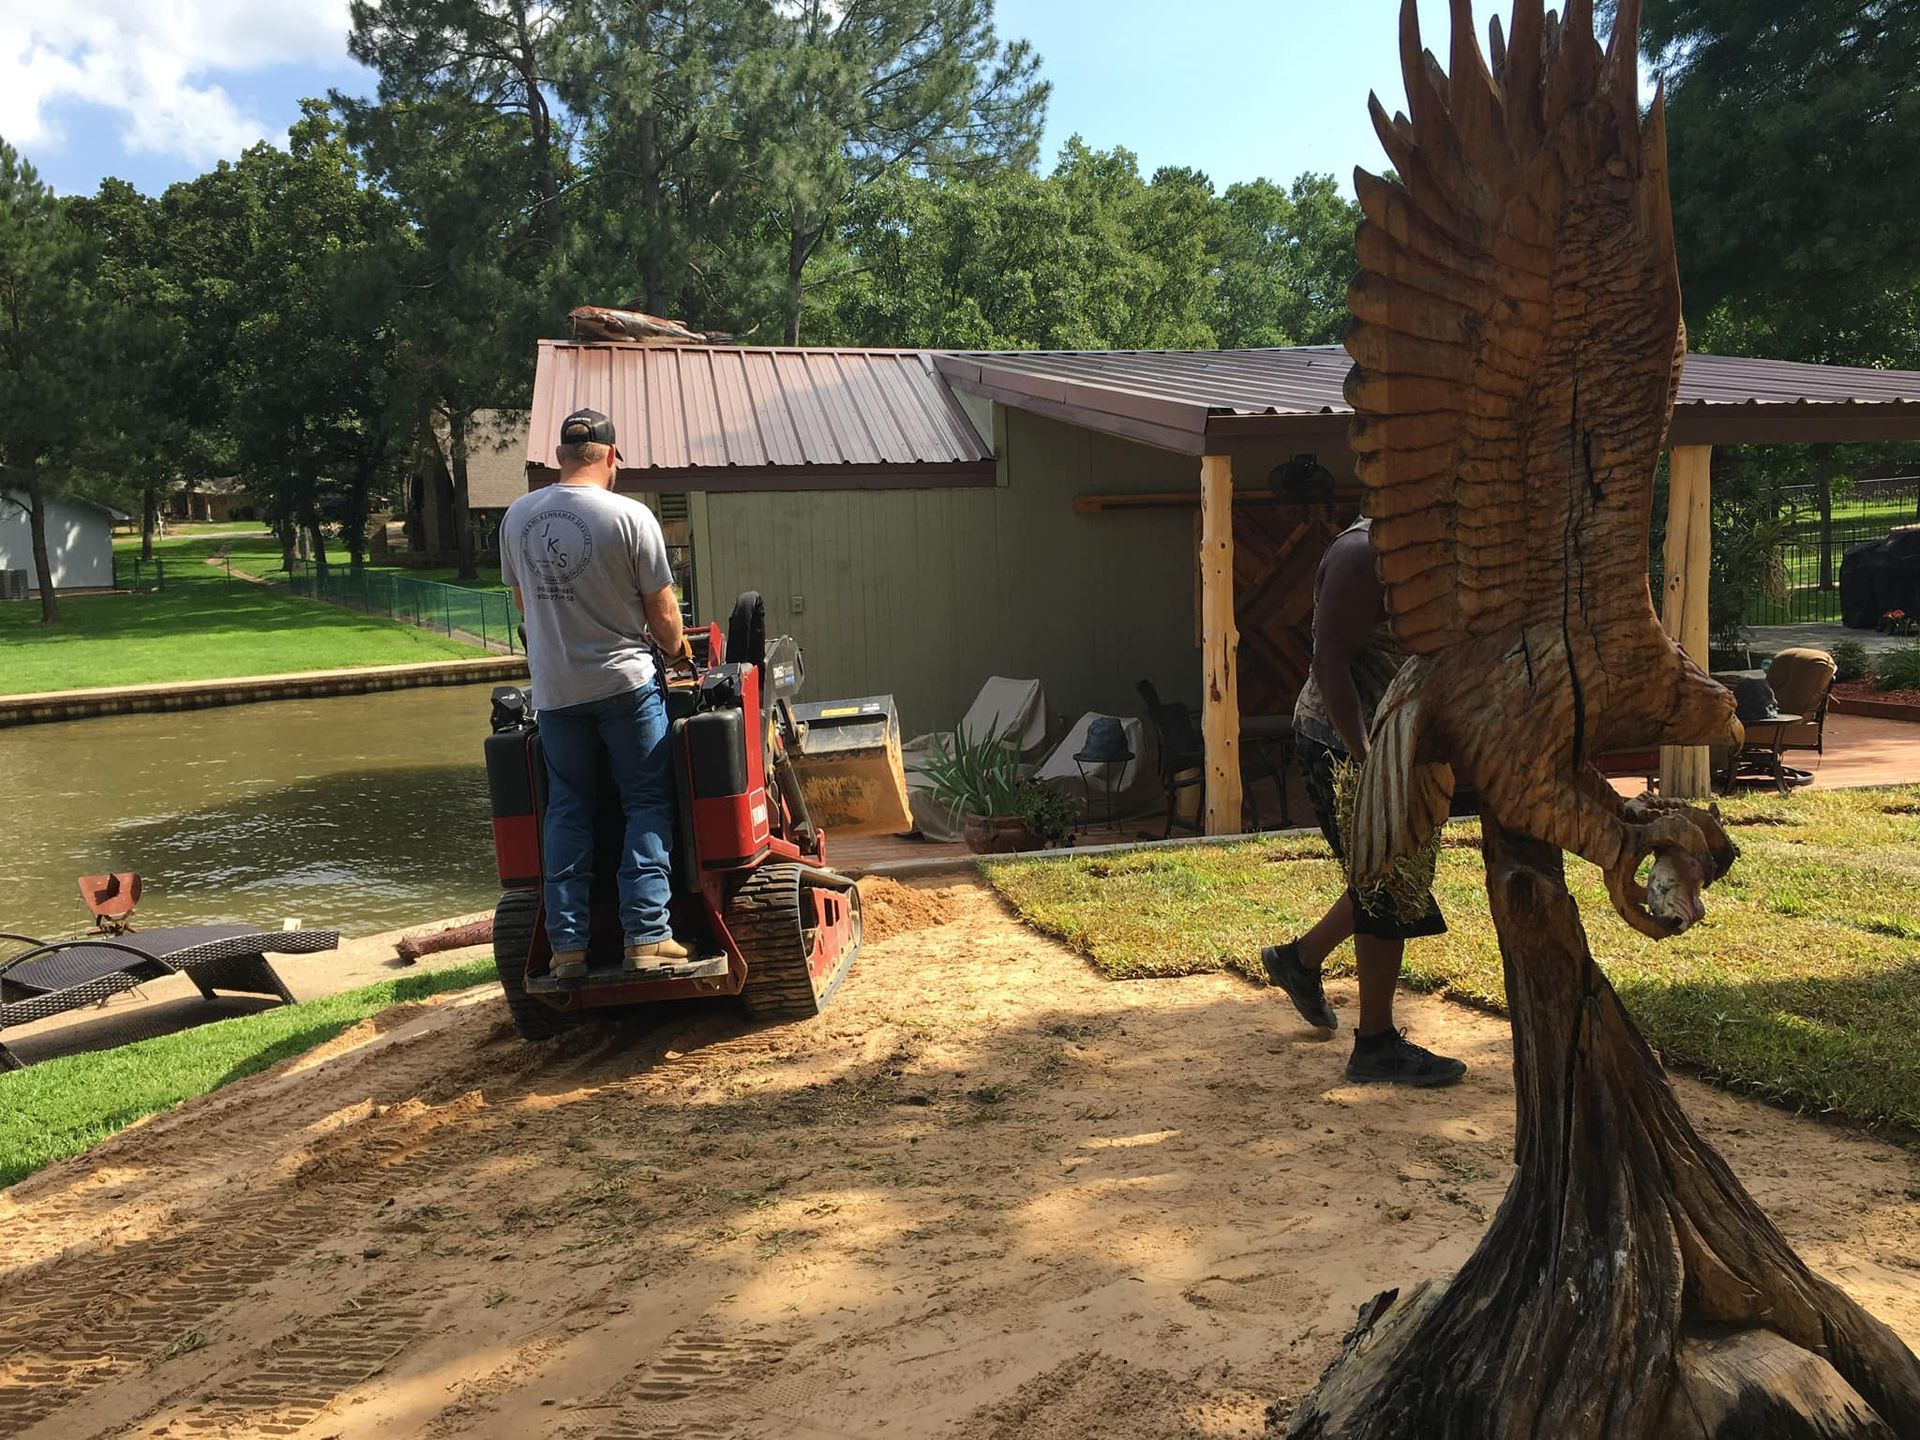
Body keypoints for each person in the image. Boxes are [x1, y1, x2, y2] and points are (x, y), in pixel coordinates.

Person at [501, 407, 705, 981]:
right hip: (624, 685)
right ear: (612, 456)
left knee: (568, 806)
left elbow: (525, 606)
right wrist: (682, 656)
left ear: (558, 457)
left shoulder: (516, 518)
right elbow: (663, 616)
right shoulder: (630, 516)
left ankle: (567, 948)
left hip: (556, 692)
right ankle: (647, 936)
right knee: (645, 800)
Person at [1263, 519, 1466, 1086]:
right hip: (1344, 746)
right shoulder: (1361, 556)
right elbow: (1330, 664)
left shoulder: (1435, 547)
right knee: (1386, 890)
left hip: (1402, 749)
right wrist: (1369, 762)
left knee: (1388, 880)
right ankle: (1374, 1043)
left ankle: (1299, 961)